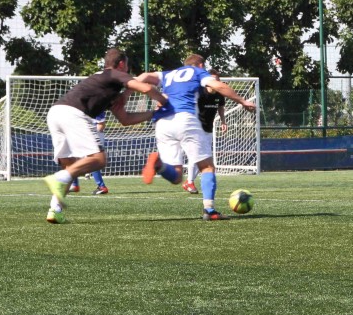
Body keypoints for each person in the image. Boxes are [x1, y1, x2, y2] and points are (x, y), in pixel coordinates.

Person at [43, 49, 166, 223]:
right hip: (74, 113)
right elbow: (145, 87)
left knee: (70, 166)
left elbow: (124, 119)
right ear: (122, 64)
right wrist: (166, 102)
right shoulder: (113, 74)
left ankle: (54, 210)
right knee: (99, 160)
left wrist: (154, 112)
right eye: (128, 66)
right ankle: (58, 180)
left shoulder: (105, 84)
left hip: (56, 113)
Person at [137, 54, 256, 220]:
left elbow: (143, 77)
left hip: (162, 122)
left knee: (177, 176)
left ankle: (158, 164)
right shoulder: (197, 72)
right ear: (200, 65)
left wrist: (126, 93)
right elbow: (219, 85)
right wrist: (242, 101)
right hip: (185, 119)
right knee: (207, 167)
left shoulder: (169, 74)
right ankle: (209, 210)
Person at [182, 69, 227, 194]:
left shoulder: (219, 94)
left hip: (208, 129)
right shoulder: (200, 93)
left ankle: (189, 182)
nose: (214, 81)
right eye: (212, 79)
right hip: (195, 128)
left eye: (216, 79)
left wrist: (223, 122)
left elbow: (221, 107)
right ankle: (190, 182)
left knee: (203, 157)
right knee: (195, 156)